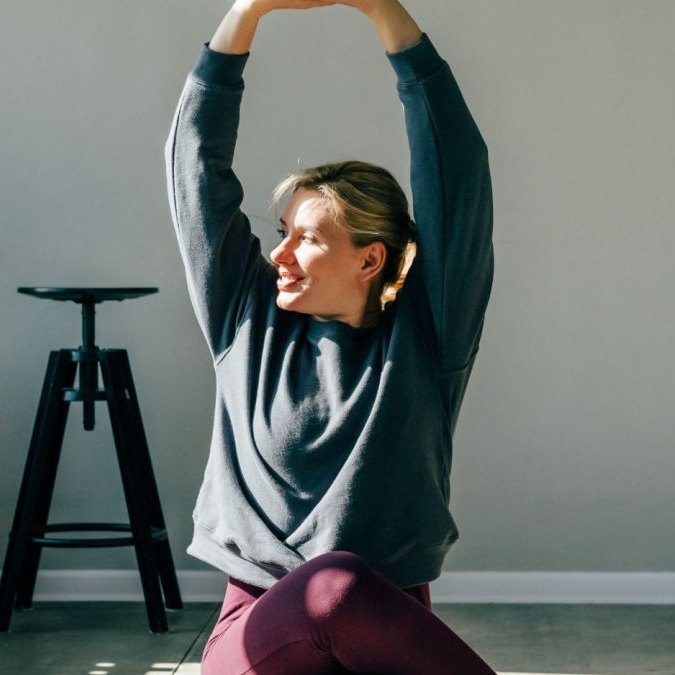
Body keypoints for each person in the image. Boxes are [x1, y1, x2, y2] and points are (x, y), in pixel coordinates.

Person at [165, 0, 494, 672]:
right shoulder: (246, 317)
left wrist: (381, 9)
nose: (279, 253)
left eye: (307, 238)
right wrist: (247, 11)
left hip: (381, 636)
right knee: (332, 586)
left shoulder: (425, 338)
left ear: (371, 259)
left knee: (346, 592)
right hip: (258, 634)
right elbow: (194, 171)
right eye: (281, 231)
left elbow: (457, 171)